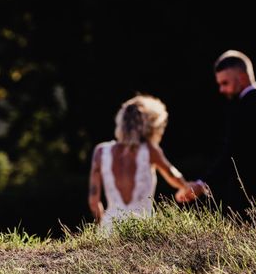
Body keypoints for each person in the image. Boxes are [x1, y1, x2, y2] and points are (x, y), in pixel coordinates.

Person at [179, 50, 256, 213]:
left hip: (248, 203)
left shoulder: (240, 110)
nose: (221, 90)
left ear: (242, 77)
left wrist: (201, 184)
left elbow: (230, 155)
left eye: (225, 83)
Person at [88, 94, 205, 232]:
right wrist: (186, 187)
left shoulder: (101, 151)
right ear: (151, 126)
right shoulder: (149, 151)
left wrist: (102, 225)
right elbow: (173, 175)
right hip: (143, 227)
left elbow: (93, 202)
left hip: (110, 227)